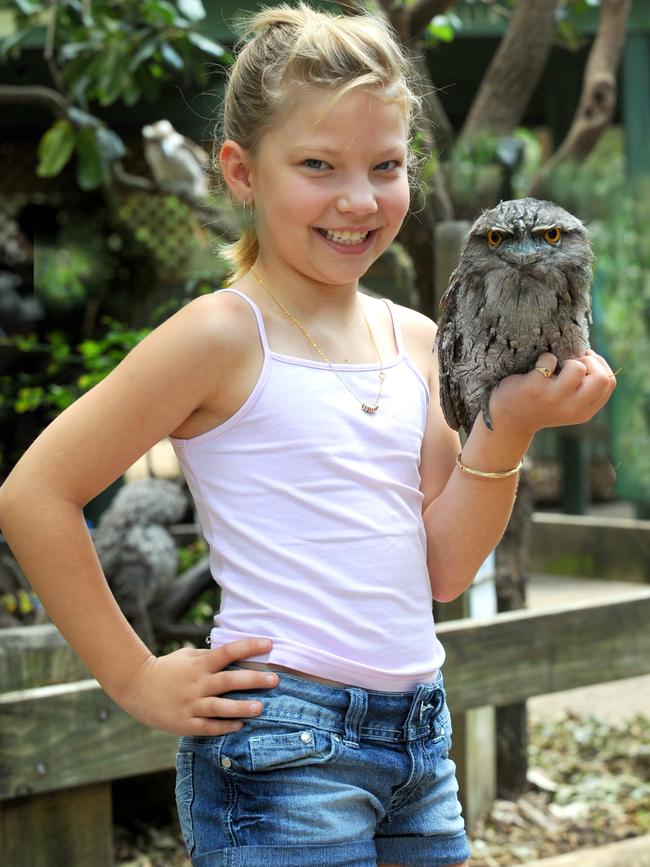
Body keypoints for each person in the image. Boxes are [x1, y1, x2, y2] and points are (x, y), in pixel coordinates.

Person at [0, 4, 616, 866]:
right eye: (318, 165)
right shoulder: (220, 334)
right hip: (281, 746)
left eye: (386, 165)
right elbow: (33, 493)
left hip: (419, 738)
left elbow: (440, 567)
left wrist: (506, 431)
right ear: (241, 172)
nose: (359, 199)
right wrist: (135, 676)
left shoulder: (417, 340)